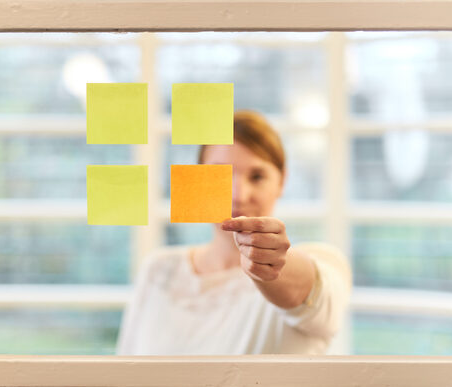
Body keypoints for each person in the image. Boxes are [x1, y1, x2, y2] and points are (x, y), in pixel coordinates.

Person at [116, 110, 352, 355]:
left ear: (281, 182)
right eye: (220, 175)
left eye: (257, 176)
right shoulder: (158, 269)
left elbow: (314, 297)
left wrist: (269, 265)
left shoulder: (324, 263)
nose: (238, 195)